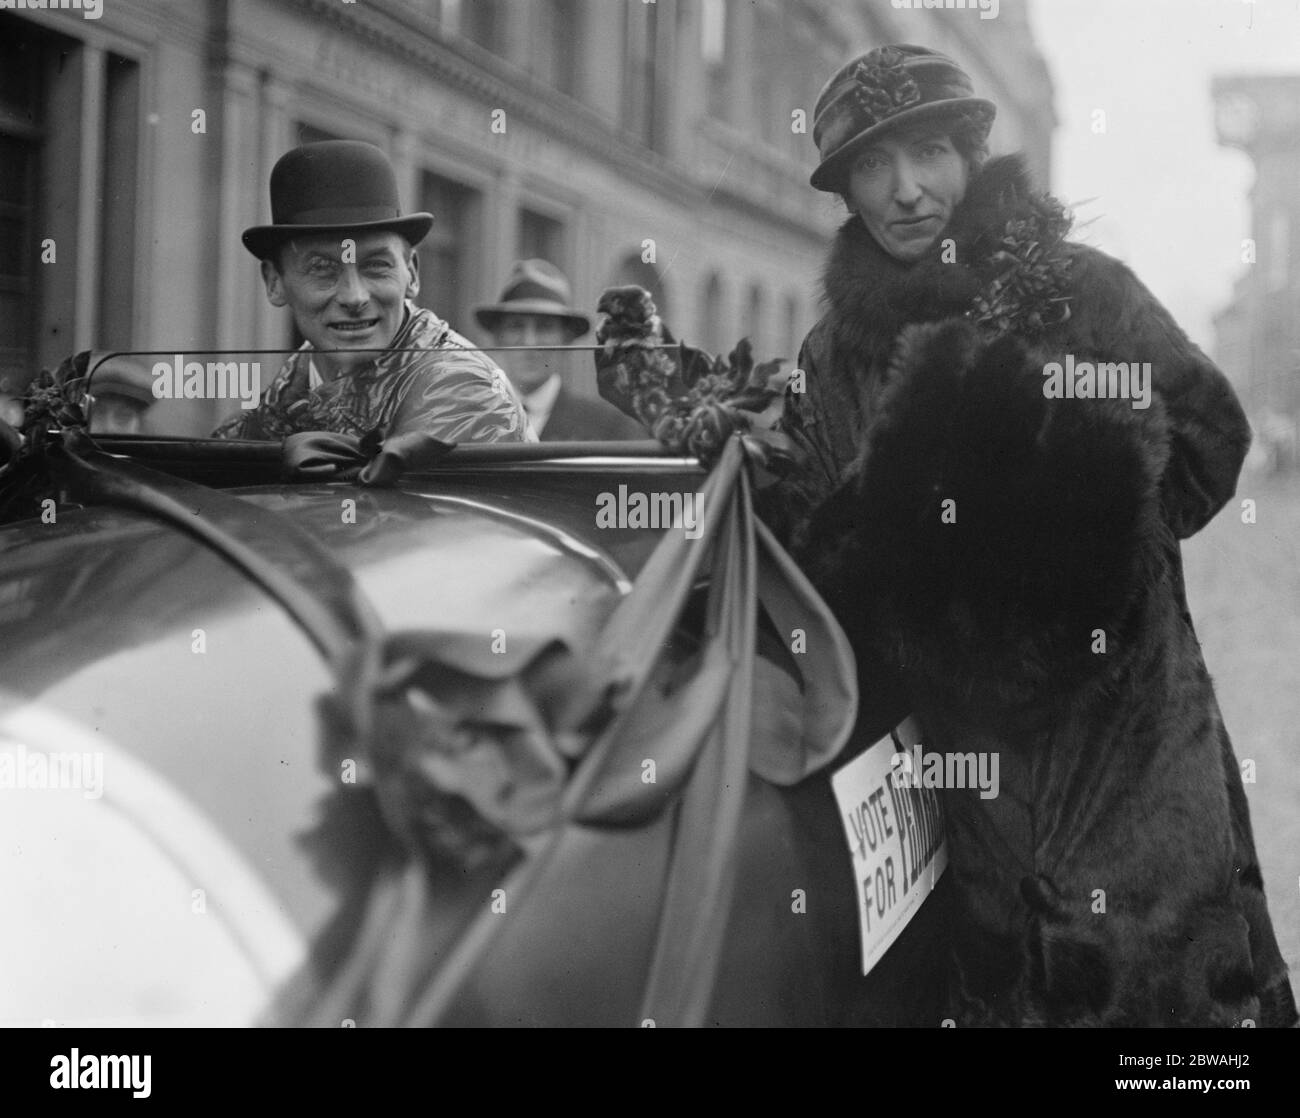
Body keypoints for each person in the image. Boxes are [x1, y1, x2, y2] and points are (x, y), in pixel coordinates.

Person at [768, 43, 1295, 1026]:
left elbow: (1210, 445)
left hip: (1129, 755)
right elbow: (816, 538)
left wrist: (1059, 499)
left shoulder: (1080, 291)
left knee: (1174, 1023)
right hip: (968, 787)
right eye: (871, 168)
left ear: (969, 152)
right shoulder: (833, 353)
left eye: (924, 152)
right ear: (844, 189)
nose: (905, 191)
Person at [215, 140, 531, 443]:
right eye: (322, 268)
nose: (354, 297)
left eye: (375, 265)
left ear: (412, 273)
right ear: (274, 283)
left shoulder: (464, 389)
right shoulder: (304, 372)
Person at [475, 260, 644, 441]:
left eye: (544, 327)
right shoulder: (470, 420)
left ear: (567, 339)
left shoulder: (611, 428)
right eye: (516, 326)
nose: (530, 342)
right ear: (498, 337)